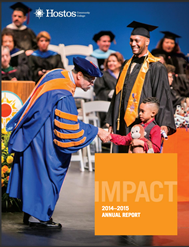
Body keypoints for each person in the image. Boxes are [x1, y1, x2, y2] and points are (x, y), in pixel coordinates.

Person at [6, 57, 111, 229]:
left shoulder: (56, 74)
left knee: (34, 175)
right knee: (47, 173)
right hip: (43, 140)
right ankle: (39, 218)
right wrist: (97, 131)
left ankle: (31, 214)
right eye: (89, 80)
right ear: (78, 75)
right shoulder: (64, 96)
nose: (91, 84)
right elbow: (70, 129)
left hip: (32, 133)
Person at [106, 21, 176, 154]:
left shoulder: (156, 66)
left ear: (147, 42)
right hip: (122, 122)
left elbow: (162, 96)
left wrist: (164, 124)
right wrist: (111, 120)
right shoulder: (126, 64)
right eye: (131, 40)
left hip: (143, 123)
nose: (133, 44)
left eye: (137, 40)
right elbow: (117, 94)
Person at [151, 31, 189, 98]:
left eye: (172, 43)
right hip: (163, 86)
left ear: (175, 44)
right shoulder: (156, 54)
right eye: (167, 42)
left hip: (179, 86)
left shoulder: (180, 56)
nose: (169, 45)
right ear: (162, 43)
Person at [94, 51, 124, 127]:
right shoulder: (103, 75)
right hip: (109, 104)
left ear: (120, 62)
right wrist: (110, 93)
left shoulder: (125, 75)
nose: (111, 63)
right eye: (109, 61)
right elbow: (98, 90)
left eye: (114, 61)